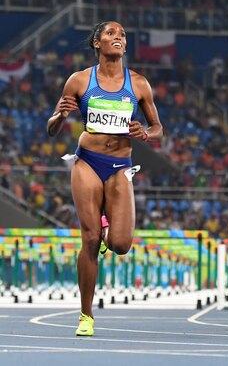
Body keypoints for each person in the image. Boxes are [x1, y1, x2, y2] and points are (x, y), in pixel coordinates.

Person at [47, 21, 163, 337]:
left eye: (123, 34)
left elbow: (158, 129)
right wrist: (60, 115)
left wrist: (147, 134)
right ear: (97, 42)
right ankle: (86, 315)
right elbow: (52, 128)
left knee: (122, 245)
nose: (118, 37)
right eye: (111, 33)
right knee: (89, 239)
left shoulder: (138, 84)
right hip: (87, 162)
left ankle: (106, 224)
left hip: (120, 165)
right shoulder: (79, 80)